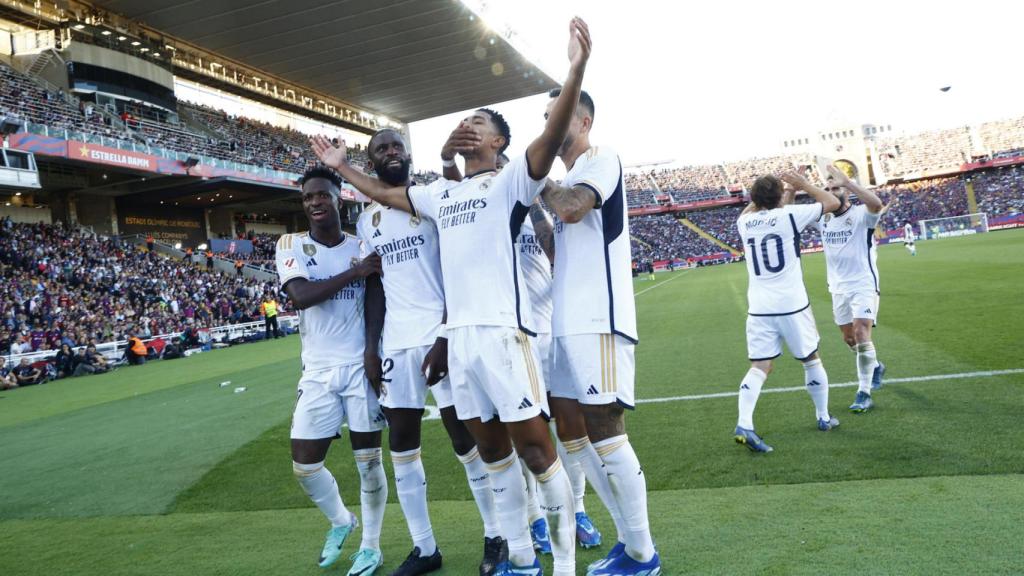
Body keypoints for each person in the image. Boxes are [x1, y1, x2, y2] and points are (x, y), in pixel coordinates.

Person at [312, 17, 591, 576]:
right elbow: (387, 193)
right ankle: (517, 558)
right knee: (493, 457)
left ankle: (561, 564)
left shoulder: (514, 182)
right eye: (464, 120)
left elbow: (548, 135)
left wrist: (575, 69)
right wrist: (342, 167)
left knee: (537, 452)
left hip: (505, 336)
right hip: (458, 346)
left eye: (479, 123)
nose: (468, 127)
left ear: (499, 143)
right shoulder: (442, 195)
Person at [356, 128, 509, 576]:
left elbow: (457, 265)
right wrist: (371, 347)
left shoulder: (435, 198)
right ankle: (425, 548)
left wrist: (445, 334)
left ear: (407, 155)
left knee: (466, 438)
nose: (391, 152)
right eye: (381, 149)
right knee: (401, 443)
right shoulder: (368, 221)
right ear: (373, 161)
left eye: (396, 146)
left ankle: (496, 535)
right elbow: (377, 287)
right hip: (396, 343)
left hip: (442, 335)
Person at [537, 89, 660, 575]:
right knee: (575, 433)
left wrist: (536, 181)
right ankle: (627, 541)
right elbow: (557, 242)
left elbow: (570, 208)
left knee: (607, 431)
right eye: (546, 117)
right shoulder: (572, 176)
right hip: (567, 323)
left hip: (598, 320)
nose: (549, 124)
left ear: (583, 120)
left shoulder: (602, 159)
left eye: (558, 116)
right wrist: (529, 203)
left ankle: (643, 554)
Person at [276, 165, 388, 576]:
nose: (315, 202)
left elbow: (376, 300)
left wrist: (372, 351)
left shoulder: (361, 245)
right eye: (308, 198)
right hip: (318, 371)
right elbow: (302, 296)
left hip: (359, 367)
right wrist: (355, 272)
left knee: (369, 462)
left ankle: (371, 547)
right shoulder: (290, 244)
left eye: (322, 194)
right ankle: (342, 520)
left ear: (339, 197)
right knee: (304, 464)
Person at [733, 172, 841, 454]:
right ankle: (823, 417)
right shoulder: (791, 217)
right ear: (779, 196)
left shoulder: (743, 222)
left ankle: (744, 423)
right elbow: (832, 201)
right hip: (792, 305)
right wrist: (802, 185)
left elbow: (763, 208)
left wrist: (782, 194)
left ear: (754, 199)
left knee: (760, 367)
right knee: (810, 359)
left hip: (759, 308)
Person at [813, 166, 886, 413]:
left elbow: (876, 204)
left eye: (836, 188)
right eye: (828, 189)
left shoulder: (861, 215)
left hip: (863, 283)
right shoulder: (822, 219)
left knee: (861, 332)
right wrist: (793, 188)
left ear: (846, 191)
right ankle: (875, 365)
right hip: (837, 287)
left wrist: (850, 182)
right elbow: (787, 210)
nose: (832, 192)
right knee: (849, 338)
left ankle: (863, 392)